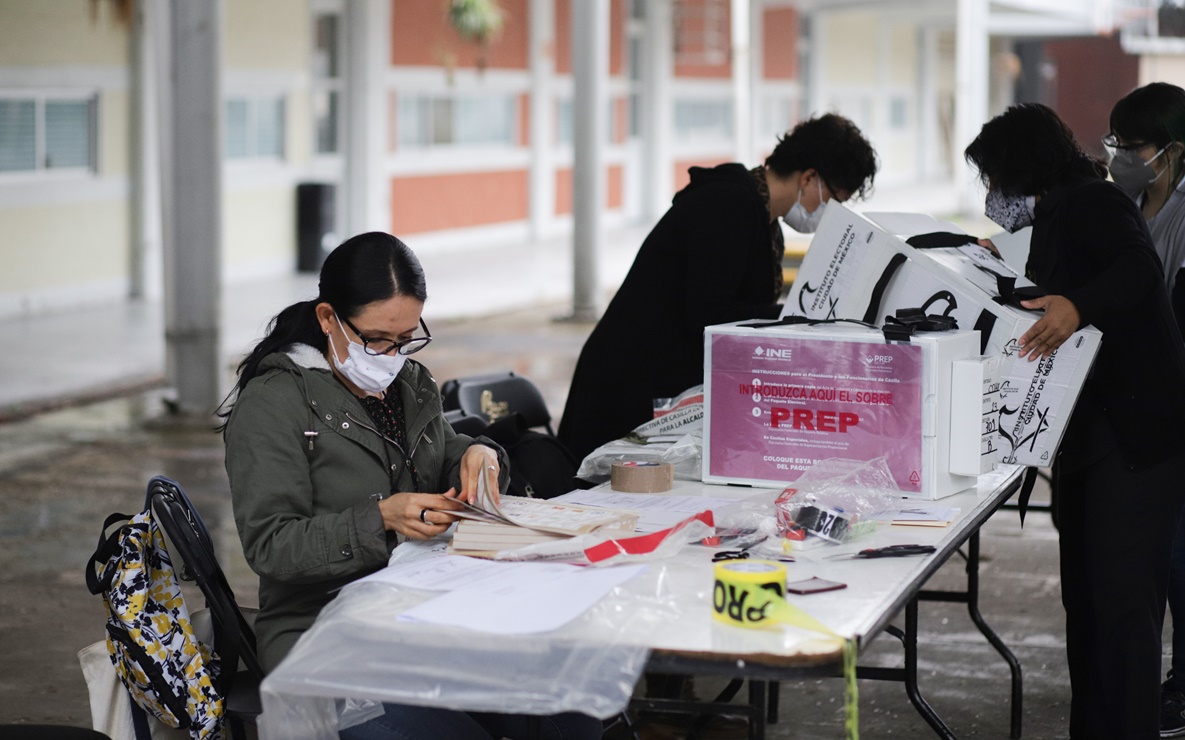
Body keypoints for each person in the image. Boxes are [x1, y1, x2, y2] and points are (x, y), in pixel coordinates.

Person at [220, 232, 601, 740]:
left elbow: (446, 456)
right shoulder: (275, 403)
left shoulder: (408, 383)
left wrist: (481, 454)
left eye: (406, 339)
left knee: (568, 708)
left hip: (428, 605)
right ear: (328, 318)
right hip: (326, 626)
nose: (391, 355)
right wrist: (380, 519)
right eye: (377, 340)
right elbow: (270, 546)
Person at [966, 103, 1185, 739]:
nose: (992, 195)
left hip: (1136, 441)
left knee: (1120, 611)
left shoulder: (1095, 202)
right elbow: (1047, 296)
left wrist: (1078, 307)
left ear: (1021, 168)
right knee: (1087, 605)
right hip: (1093, 440)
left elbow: (1137, 271)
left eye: (994, 179)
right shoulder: (1061, 214)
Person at [556, 113, 879, 461]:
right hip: (625, 390)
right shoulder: (728, 204)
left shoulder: (764, 222)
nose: (830, 214)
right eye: (834, 199)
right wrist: (794, 316)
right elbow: (710, 315)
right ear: (810, 177)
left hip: (655, 385)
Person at [1108, 81, 1185, 737]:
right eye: (1115, 142)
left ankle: (1182, 687)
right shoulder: (1122, 200)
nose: (1120, 155)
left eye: (1131, 145)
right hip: (1137, 400)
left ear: (1172, 150)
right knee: (1150, 553)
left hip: (1176, 396)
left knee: (1180, 555)